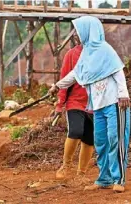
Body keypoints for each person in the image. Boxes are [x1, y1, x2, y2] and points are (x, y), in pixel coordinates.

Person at [49, 16, 130, 193]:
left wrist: (123, 94)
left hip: (115, 102)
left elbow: (118, 70)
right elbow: (74, 74)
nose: (78, 34)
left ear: (89, 31)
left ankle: (119, 179)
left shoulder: (105, 50)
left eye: (80, 30)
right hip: (98, 105)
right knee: (100, 141)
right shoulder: (86, 54)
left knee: (115, 139)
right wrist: (57, 86)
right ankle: (104, 179)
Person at [53, 32, 94, 181]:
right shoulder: (71, 54)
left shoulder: (98, 54)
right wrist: (59, 104)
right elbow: (65, 79)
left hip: (94, 103)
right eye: (75, 34)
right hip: (75, 101)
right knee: (76, 131)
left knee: (90, 139)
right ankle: (65, 166)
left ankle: (81, 173)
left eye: (80, 33)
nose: (77, 36)